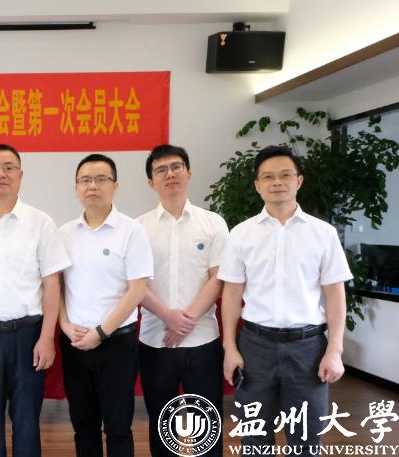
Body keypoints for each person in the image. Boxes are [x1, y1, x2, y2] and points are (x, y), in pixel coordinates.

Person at [219, 145, 352, 453]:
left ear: (299, 181)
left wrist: (334, 349)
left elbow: (335, 295)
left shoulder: (323, 233)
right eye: (268, 176)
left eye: (285, 175)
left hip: (308, 348)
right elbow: (232, 294)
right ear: (257, 185)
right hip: (256, 347)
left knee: (306, 440)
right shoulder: (241, 234)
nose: (277, 182)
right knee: (254, 439)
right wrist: (230, 348)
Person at [0, 144, 71, 457]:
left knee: (27, 417)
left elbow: (51, 283)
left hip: (27, 335)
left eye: (8, 167)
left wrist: (47, 338)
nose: (0, 174)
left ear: (20, 175)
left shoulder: (41, 223)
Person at [136, 144, 228, 457]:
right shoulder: (138, 228)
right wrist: (168, 317)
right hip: (155, 341)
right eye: (161, 170)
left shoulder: (213, 223)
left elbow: (218, 277)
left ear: (188, 173)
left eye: (176, 167)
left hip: (202, 340)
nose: (170, 174)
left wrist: (185, 320)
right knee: (162, 426)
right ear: (151, 182)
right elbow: (135, 284)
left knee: (208, 427)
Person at [58, 153, 152, 457]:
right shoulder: (64, 233)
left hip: (116, 343)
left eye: (101, 179)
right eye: (85, 180)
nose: (92, 186)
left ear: (115, 186)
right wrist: (64, 324)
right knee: (83, 425)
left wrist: (101, 332)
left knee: (118, 426)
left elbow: (137, 289)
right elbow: (56, 287)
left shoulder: (131, 231)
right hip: (74, 342)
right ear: (76, 187)